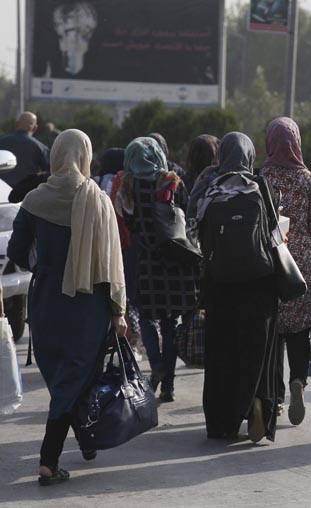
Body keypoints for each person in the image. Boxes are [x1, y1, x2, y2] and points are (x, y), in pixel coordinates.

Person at [8, 129, 127, 485]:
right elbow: (111, 262)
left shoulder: (33, 200)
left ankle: (85, 442)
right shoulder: (97, 199)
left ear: (57, 154)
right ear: (85, 155)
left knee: (64, 377)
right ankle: (48, 460)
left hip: (46, 303)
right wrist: (118, 310)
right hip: (87, 305)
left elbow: (16, 253)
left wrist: (43, 266)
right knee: (73, 378)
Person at [190, 132, 281, 443]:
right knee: (257, 349)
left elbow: (192, 233)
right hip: (260, 281)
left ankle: (220, 422)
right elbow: (274, 231)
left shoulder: (208, 187)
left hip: (219, 282)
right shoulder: (260, 185)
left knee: (221, 351)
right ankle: (256, 402)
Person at [260, 117, 311, 426]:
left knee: (273, 334)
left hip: (271, 262)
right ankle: (298, 381)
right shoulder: (309, 180)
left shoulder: (262, 176)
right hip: (303, 266)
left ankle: (276, 397)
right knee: (300, 332)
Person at [116, 138, 199, 403]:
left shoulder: (127, 185)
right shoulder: (173, 181)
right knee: (170, 321)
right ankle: (169, 386)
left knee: (147, 316)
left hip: (147, 260)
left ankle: (157, 365)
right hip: (174, 261)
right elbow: (188, 217)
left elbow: (127, 220)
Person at [0, 112, 50, 188]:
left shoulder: (2, 142)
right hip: (26, 195)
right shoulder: (41, 147)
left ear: (16, 124)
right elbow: (48, 174)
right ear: (35, 128)